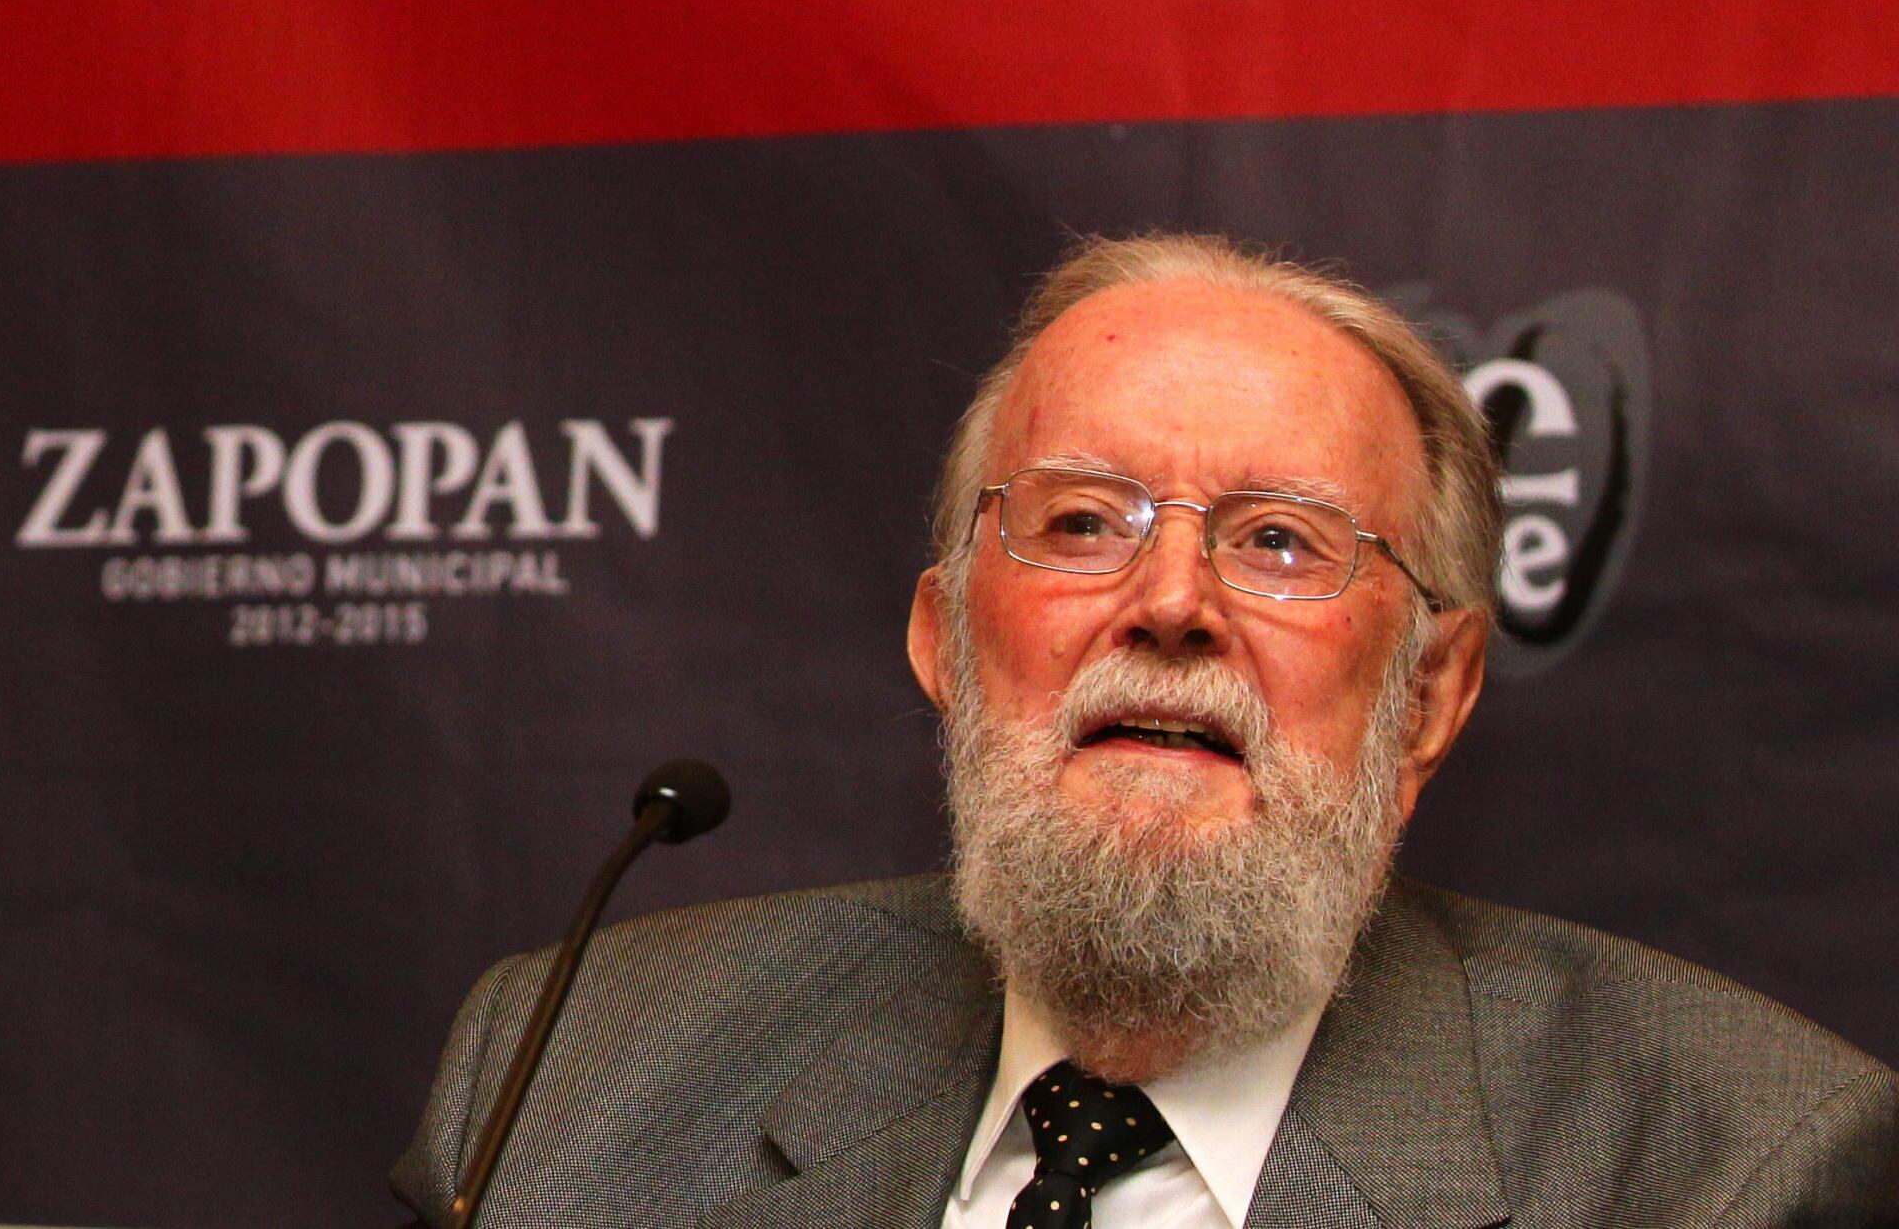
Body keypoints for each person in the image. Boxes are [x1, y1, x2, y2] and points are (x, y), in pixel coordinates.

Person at [395, 232, 1899, 1229]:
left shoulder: (1731, 1167)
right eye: (1081, 522)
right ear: (943, 641)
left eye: (1283, 542)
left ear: (1429, 696)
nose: (1170, 601)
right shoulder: (572, 1077)